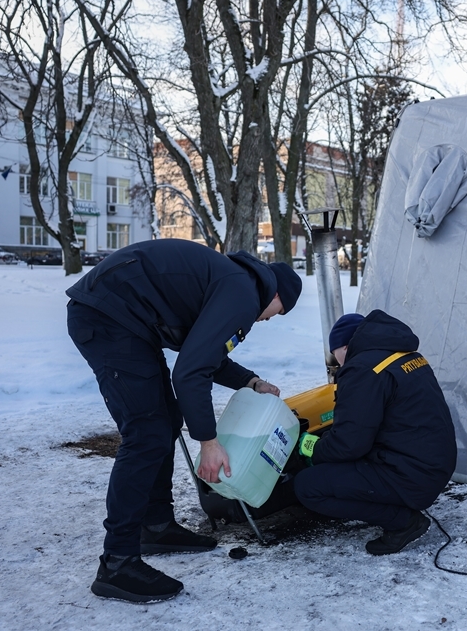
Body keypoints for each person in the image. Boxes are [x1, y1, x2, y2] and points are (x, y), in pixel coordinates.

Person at [66, 239, 302, 603]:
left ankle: (155, 525)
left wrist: (249, 380)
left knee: (164, 422)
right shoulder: (242, 294)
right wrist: (209, 442)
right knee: (145, 434)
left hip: (123, 319)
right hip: (109, 319)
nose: (268, 319)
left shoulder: (234, 282)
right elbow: (190, 374)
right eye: (278, 312)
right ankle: (118, 562)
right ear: (276, 294)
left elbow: (204, 353)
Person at [292, 310, 457, 555]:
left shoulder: (363, 369)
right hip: (434, 465)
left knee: (308, 486)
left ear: (345, 347)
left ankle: (403, 522)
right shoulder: (404, 355)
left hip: (412, 476)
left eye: (335, 354)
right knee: (342, 465)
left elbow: (349, 444)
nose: (336, 363)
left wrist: (313, 449)